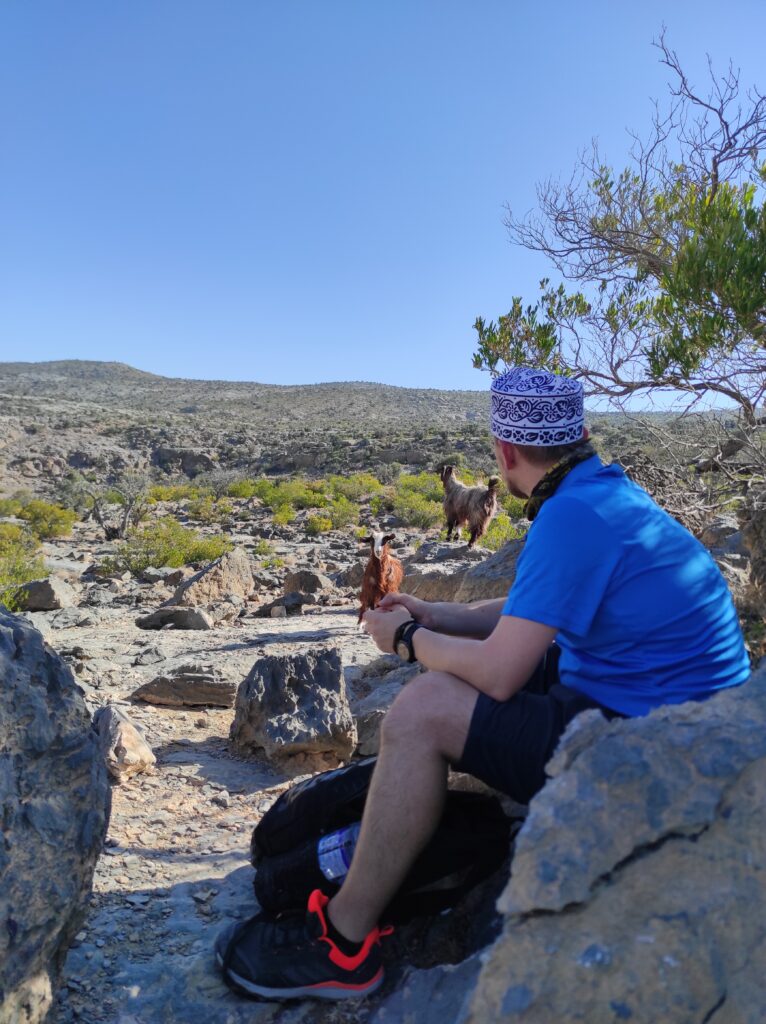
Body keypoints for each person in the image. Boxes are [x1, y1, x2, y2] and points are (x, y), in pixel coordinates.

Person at [216, 366, 751, 1001]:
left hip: (654, 756)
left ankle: (342, 942)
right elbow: (531, 612)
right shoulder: (604, 494)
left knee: (423, 708)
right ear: (578, 434)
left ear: (506, 451)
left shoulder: (571, 515)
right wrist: (436, 615)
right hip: (683, 724)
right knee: (473, 674)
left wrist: (407, 641)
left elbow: (499, 673)